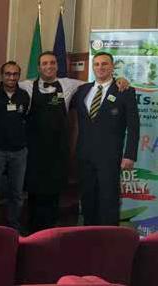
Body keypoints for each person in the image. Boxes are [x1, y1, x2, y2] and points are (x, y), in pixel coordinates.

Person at [19, 51, 129, 232]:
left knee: (55, 193)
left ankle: (51, 232)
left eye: (52, 63)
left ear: (57, 65)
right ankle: (33, 233)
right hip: (35, 150)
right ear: (38, 67)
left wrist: (120, 80)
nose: (49, 66)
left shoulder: (69, 84)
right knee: (34, 192)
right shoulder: (26, 86)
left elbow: (99, 85)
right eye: (44, 63)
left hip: (58, 150)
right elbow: (7, 84)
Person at [72, 52, 139, 226]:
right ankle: (89, 236)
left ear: (112, 67)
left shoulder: (125, 91)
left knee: (108, 199)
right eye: (97, 64)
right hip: (85, 155)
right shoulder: (82, 90)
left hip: (110, 156)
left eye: (105, 64)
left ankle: (110, 240)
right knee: (88, 199)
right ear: (93, 67)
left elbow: (133, 126)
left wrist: (130, 155)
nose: (100, 67)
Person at [0, 61, 30, 230]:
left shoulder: (24, 95)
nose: (12, 77)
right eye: (8, 74)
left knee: (17, 193)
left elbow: (25, 117)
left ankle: (14, 226)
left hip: (19, 151)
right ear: (2, 76)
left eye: (15, 74)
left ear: (19, 76)